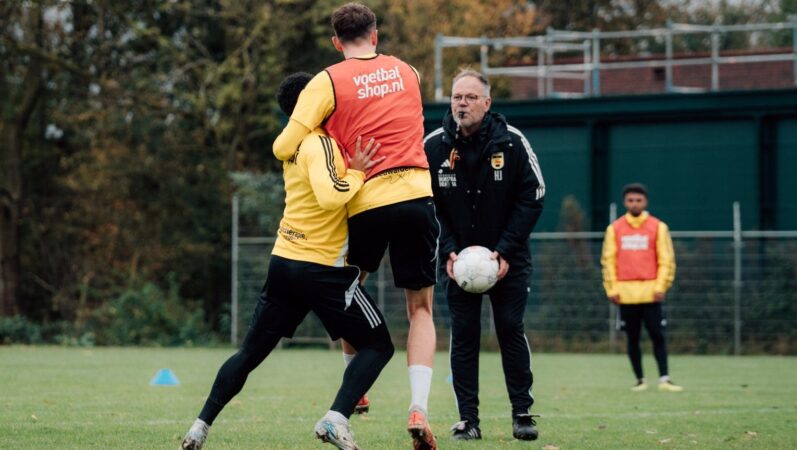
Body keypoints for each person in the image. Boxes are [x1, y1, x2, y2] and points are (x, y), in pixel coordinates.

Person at [180, 72, 394, 450]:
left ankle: (200, 426)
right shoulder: (319, 143)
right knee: (379, 345)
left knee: (248, 354)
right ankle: (335, 419)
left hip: (284, 262)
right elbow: (332, 196)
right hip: (322, 268)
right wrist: (359, 171)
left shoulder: (293, 145)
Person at [272, 3, 439, 449]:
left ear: (335, 41)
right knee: (420, 309)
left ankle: (356, 387)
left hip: (366, 200)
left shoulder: (327, 80)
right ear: (376, 35)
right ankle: (418, 407)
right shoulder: (408, 72)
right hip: (417, 194)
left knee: (348, 289)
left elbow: (286, 142)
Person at [423, 69, 546, 442]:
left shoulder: (512, 142)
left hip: (507, 260)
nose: (462, 103)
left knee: (510, 328)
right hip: (457, 262)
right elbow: (426, 203)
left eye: (470, 97)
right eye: (457, 97)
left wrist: (505, 250)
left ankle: (522, 413)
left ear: (487, 103)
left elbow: (534, 195)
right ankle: (468, 420)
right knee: (464, 334)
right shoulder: (433, 146)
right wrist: (448, 250)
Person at [601, 183, 682, 392]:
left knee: (657, 335)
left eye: (638, 200)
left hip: (651, 292)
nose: (634, 203)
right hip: (625, 294)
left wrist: (662, 285)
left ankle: (664, 378)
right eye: (630, 200)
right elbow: (608, 261)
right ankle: (640, 380)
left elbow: (666, 259)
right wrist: (612, 289)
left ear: (645, 202)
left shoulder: (658, 227)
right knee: (632, 337)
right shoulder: (615, 228)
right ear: (624, 202)